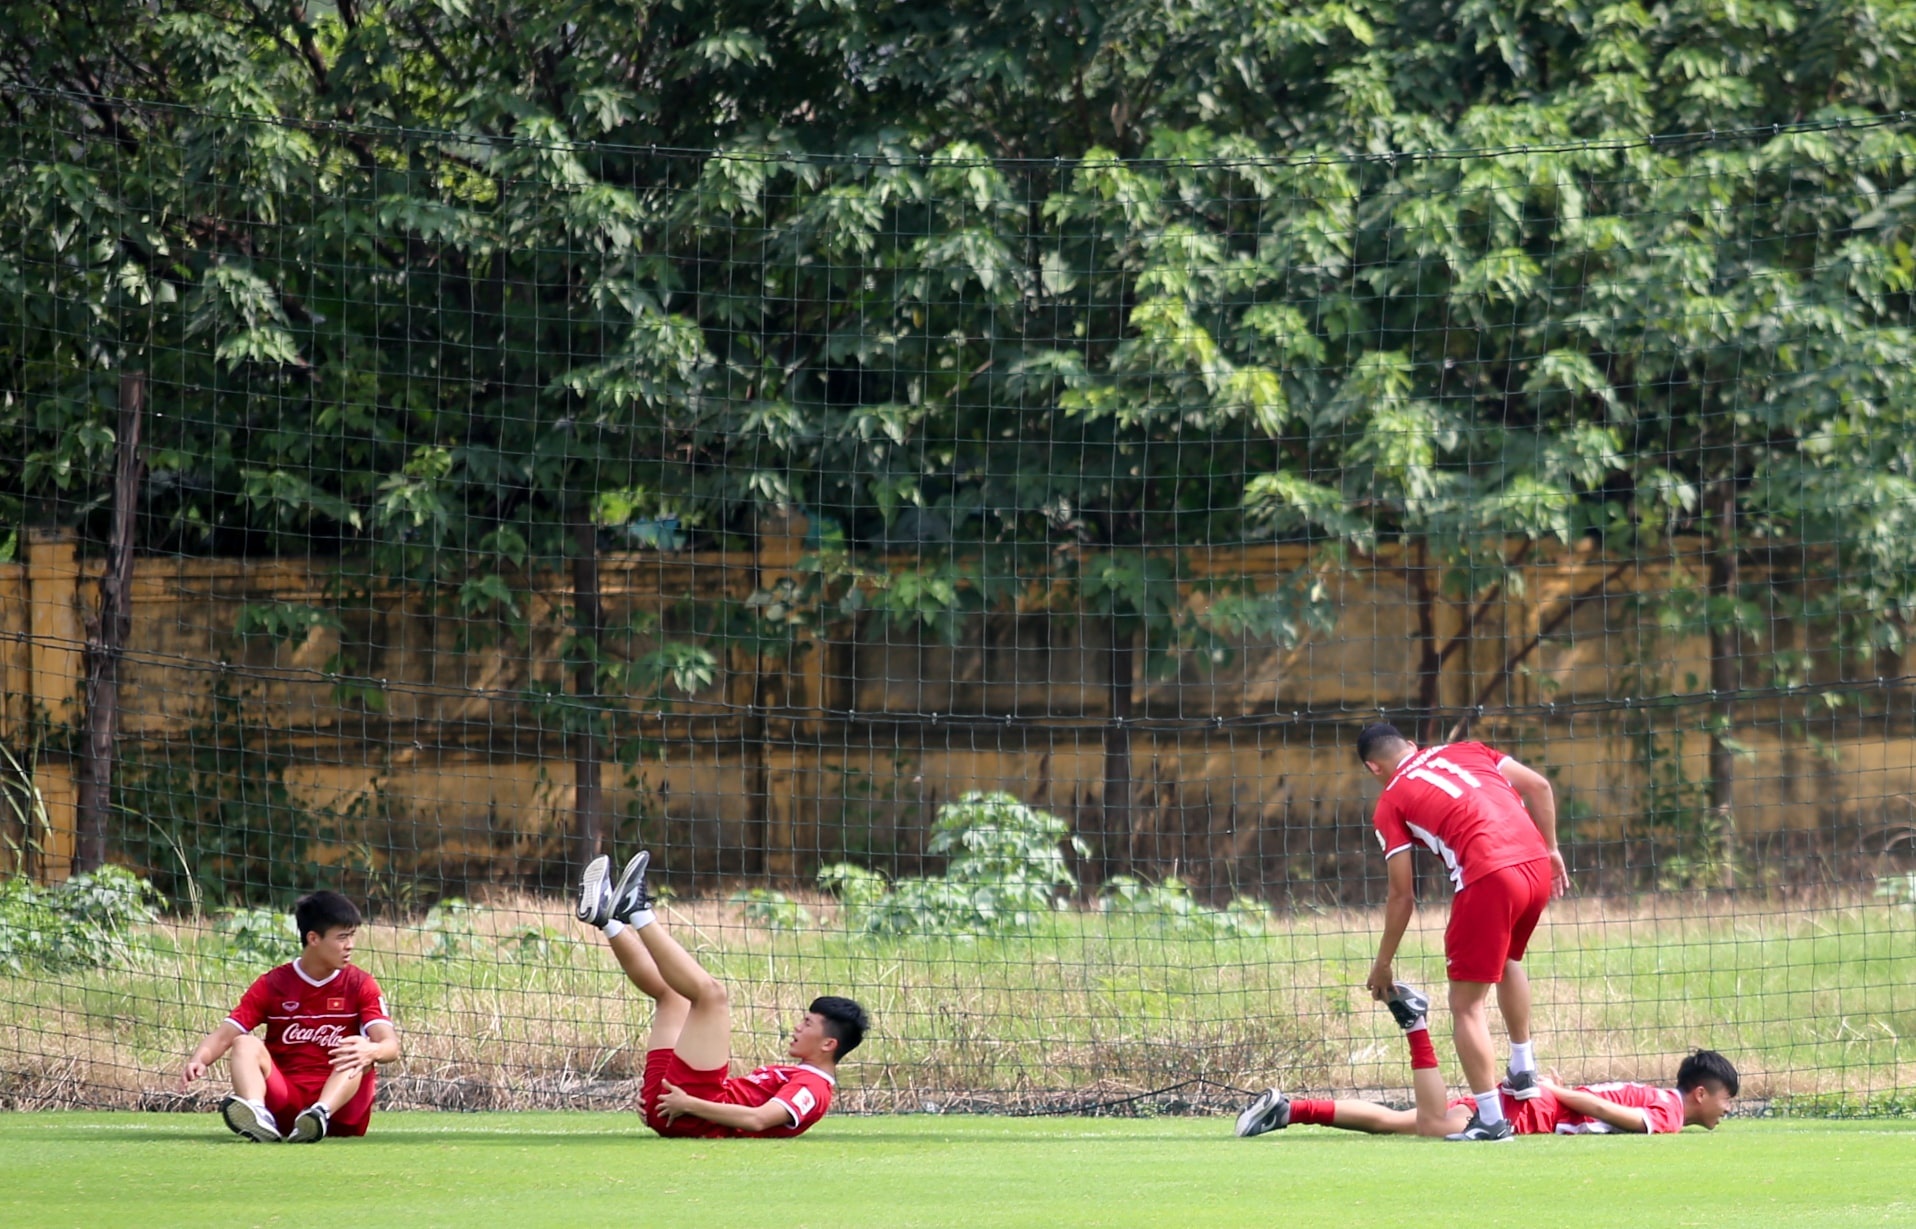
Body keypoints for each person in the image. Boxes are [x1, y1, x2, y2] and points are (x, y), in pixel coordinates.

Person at [1355, 722, 1571, 1140]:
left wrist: (1383, 963)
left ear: (1373, 767)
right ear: (1411, 744)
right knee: (1507, 960)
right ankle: (1523, 1068)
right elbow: (1540, 786)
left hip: (1490, 877)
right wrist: (1551, 849)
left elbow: (1402, 895)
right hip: (1535, 864)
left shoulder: (1390, 801)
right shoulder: (1469, 750)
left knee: (1466, 1004)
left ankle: (1490, 1120)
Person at [576, 850, 870, 1139]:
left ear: (828, 1044)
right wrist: (663, 1105)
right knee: (673, 997)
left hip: (691, 1111)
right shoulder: (795, 1073)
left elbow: (758, 1120)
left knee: (712, 995)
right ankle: (607, 919)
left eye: (807, 1024)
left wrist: (690, 1105)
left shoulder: (814, 1088)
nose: (797, 1027)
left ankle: (637, 912)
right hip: (681, 1104)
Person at [1234, 982, 1738, 1138]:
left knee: (1401, 1122)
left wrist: (1557, 1091)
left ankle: (1288, 1110)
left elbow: (1603, 1102)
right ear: (1700, 1093)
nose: (1728, 1109)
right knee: (1430, 1124)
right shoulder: (1669, 1116)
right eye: (1726, 1099)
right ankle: (1416, 1026)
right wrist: (1555, 1090)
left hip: (1538, 1103)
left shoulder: (1658, 1096)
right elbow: (1607, 1111)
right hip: (1534, 1111)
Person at [181, 890, 399, 1142]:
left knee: (358, 1048)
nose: (350, 945)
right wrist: (200, 1059)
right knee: (243, 1043)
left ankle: (319, 1114)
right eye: (342, 937)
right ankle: (258, 1116)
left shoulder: (360, 984)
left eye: (352, 936)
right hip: (287, 1105)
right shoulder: (273, 984)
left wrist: (371, 1051)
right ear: (313, 938)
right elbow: (224, 1036)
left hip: (342, 1111)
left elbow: (390, 1046)